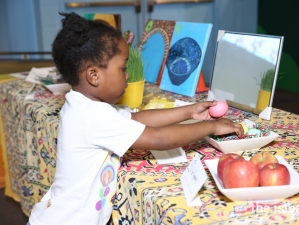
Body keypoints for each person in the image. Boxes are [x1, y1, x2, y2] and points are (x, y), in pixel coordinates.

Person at [28, 12, 244, 225]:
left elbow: (136, 119)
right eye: (122, 68)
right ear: (94, 76)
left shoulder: (82, 105)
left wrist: (189, 112)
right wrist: (211, 126)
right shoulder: (92, 115)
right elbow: (159, 138)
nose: (127, 75)